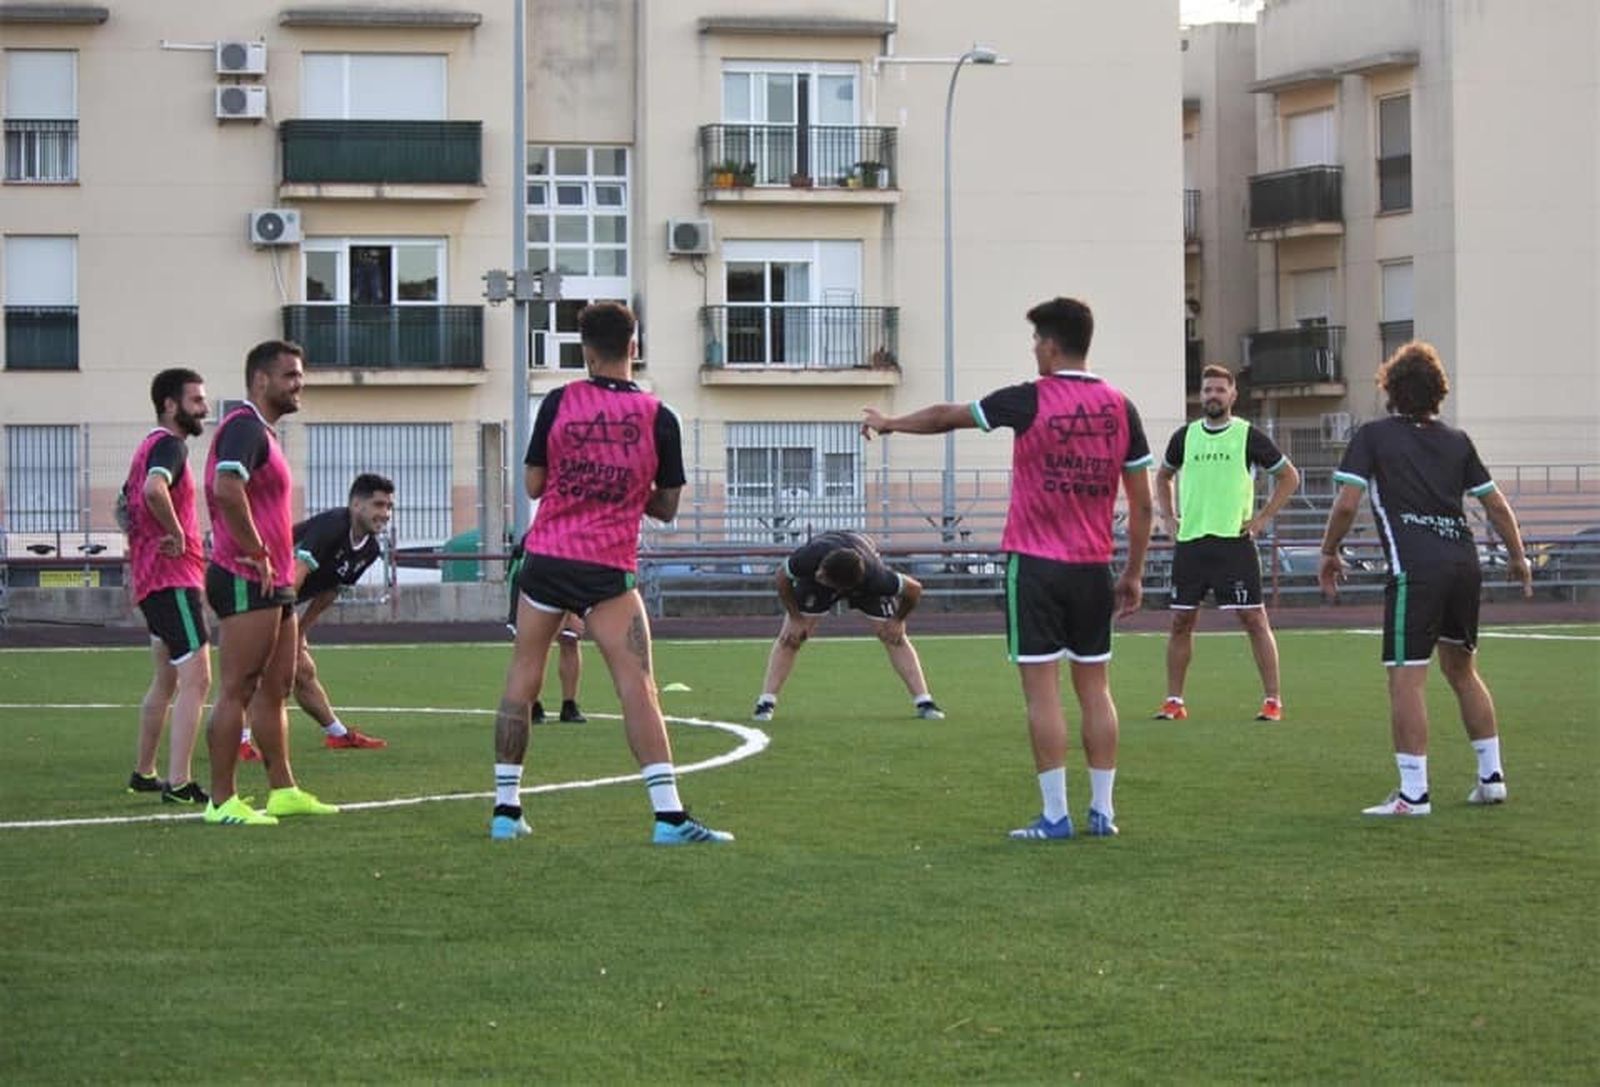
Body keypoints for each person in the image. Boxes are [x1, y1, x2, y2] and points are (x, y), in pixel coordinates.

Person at [861, 296, 1153, 840]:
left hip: (1037, 567)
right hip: (1094, 569)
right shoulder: (1121, 406)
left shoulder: (1029, 399)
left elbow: (949, 416)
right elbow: (1142, 505)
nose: (1034, 351)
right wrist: (1133, 573)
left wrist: (891, 423)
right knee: (1096, 689)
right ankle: (1104, 813)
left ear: (1048, 345)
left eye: (1035, 342)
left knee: (1042, 693)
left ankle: (1055, 816)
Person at [490, 301, 731, 844]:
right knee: (636, 685)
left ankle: (506, 811)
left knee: (523, 674)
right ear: (635, 346)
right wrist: (623, 491)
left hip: (547, 557)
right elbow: (667, 508)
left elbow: (533, 485)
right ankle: (668, 816)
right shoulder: (659, 416)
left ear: (585, 350)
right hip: (607, 565)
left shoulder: (557, 402)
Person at [1318, 340, 1532, 816]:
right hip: (1464, 564)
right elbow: (1495, 504)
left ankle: (1413, 795)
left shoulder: (1373, 436)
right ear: (1438, 391)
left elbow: (1348, 502)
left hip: (1415, 570)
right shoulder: (1457, 441)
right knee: (1462, 671)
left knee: (1405, 679)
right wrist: (1519, 557)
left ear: (1390, 389)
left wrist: (1329, 550)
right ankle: (1491, 777)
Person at [201, 340, 337, 826]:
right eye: (290, 376)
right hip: (244, 576)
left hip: (276, 582)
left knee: (274, 689)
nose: (299, 384)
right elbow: (225, 486)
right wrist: (255, 548)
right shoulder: (242, 427)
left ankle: (283, 790)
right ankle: (222, 802)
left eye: (300, 375)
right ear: (261, 381)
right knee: (237, 687)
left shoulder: (263, 434)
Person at [1152, 364, 1301, 722]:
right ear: (1200, 396)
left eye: (1220, 390)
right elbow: (1163, 476)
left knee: (1253, 618)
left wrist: (1263, 518)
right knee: (1180, 622)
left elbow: (1289, 477)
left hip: (1233, 543)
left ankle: (1273, 700)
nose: (1213, 396)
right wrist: (1169, 518)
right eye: (1207, 390)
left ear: (1233, 395)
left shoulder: (1247, 435)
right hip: (1191, 544)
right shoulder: (1184, 436)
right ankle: (1174, 701)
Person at [120, 368, 212, 805]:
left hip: (150, 579)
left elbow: (124, 507)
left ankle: (144, 772)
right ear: (171, 405)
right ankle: (178, 783)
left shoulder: (144, 447)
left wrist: (142, 542)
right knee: (198, 676)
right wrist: (175, 533)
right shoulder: (169, 446)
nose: (205, 408)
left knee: (168, 680)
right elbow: (156, 492)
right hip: (173, 579)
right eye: (196, 400)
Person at [751, 530, 944, 723]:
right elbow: (782, 577)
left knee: (894, 637)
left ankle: (924, 702)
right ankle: (765, 703)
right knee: (791, 639)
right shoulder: (811, 558)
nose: (818, 574)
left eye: (823, 577)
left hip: (861, 575)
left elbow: (914, 589)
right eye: (821, 571)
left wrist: (898, 620)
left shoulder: (876, 578)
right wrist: (795, 617)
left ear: (841, 587)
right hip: (820, 576)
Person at [288, 472, 396, 748]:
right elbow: (294, 575)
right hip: (261, 590)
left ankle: (338, 735)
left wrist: (301, 630)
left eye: (389, 507)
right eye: (379, 505)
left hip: (281, 599)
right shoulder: (333, 526)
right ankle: (241, 740)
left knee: (302, 672)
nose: (385, 513)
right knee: (273, 673)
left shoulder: (370, 549)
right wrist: (287, 626)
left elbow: (331, 590)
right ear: (356, 505)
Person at [506, 538, 587, 724]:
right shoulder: (547, 533)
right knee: (533, 645)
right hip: (534, 576)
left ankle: (569, 705)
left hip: (566, 574)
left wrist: (574, 608)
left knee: (570, 638)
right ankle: (531, 703)